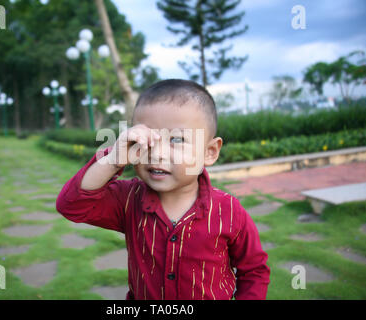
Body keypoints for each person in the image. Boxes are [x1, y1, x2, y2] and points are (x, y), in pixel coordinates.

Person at [56, 79, 270, 300]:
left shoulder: (229, 211)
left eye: (176, 139)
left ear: (210, 151)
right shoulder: (128, 200)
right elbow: (72, 205)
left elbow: (254, 271)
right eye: (146, 139)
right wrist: (113, 159)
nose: (157, 153)